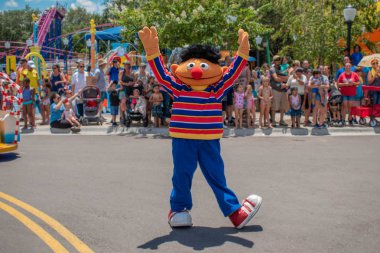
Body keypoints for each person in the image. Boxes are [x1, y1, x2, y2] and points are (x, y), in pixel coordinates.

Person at [270, 55, 289, 126]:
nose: (278, 61)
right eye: (277, 60)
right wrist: (284, 79)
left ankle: (281, 120)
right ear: (274, 61)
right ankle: (273, 121)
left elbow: (287, 77)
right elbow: (275, 78)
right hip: (275, 89)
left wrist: (282, 78)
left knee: (283, 107)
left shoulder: (282, 68)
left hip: (283, 89)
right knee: (274, 106)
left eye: (279, 60)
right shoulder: (272, 69)